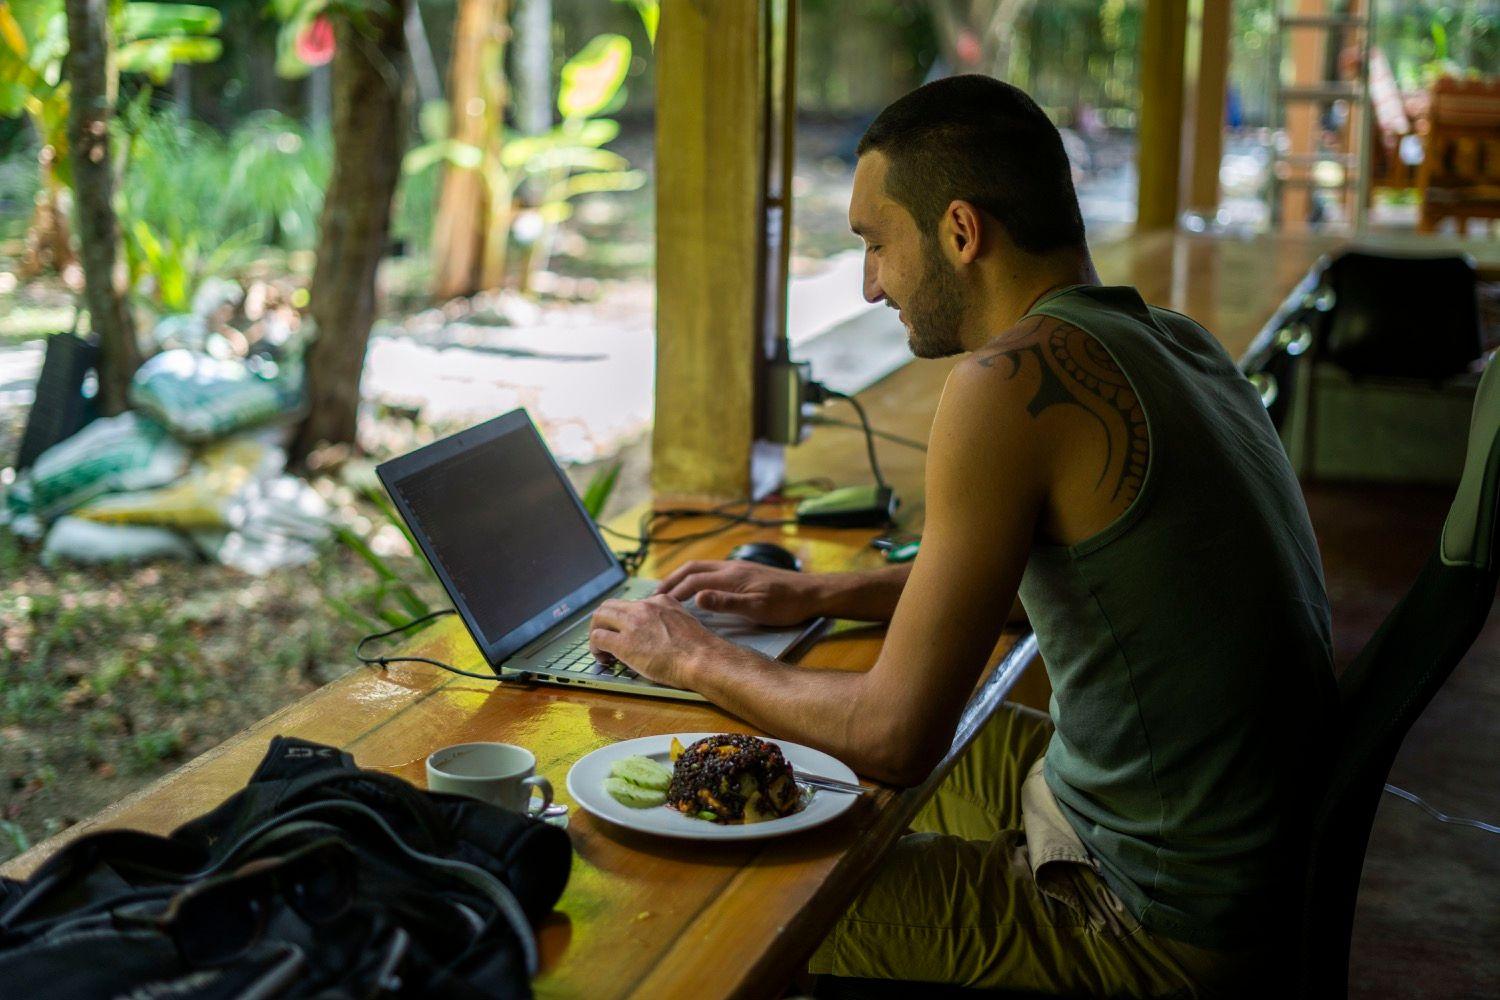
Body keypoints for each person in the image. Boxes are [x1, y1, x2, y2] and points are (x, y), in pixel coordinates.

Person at [587, 75, 1336, 997]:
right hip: (1209, 848)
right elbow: (1057, 573)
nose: (869, 285)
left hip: (1148, 924)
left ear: (960, 231)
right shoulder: (1171, 339)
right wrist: (818, 593)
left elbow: (896, 736)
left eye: (875, 244)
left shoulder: (1004, 383)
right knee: (792, 752)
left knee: (721, 896)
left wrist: (692, 657)